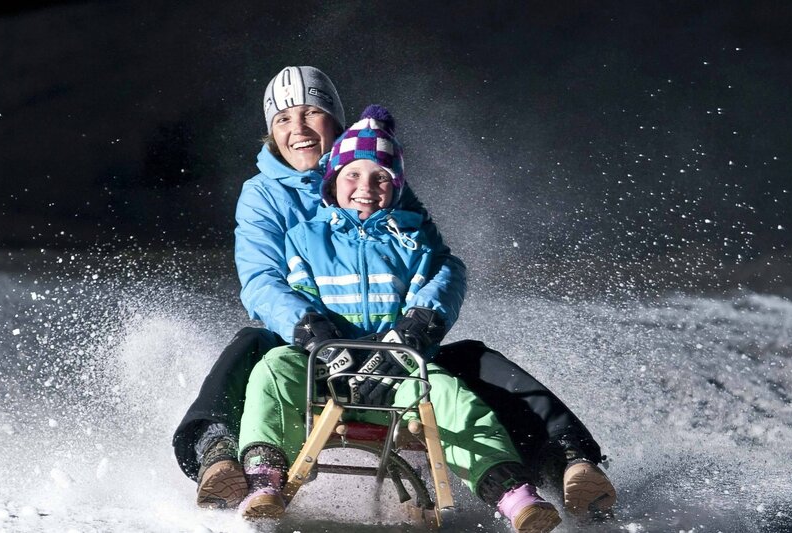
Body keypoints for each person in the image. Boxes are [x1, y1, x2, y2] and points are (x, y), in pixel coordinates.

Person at [172, 66, 615, 519]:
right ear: (270, 132)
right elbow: (261, 278)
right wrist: (308, 327)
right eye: (283, 119)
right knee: (254, 350)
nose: (298, 130)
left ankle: (565, 459)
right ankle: (219, 453)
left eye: (311, 114)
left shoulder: (374, 170)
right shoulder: (264, 194)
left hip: (392, 339)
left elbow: (439, 260)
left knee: (471, 363)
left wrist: (424, 319)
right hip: (308, 342)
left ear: (336, 121)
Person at [235, 104, 562, 532]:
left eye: (380, 178)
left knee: (450, 395)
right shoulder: (305, 238)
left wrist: (409, 335)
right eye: (352, 175)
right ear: (332, 184)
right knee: (273, 371)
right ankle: (264, 476)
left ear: (397, 186)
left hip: (398, 374)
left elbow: (439, 278)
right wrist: (316, 335)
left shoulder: (412, 241)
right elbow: (292, 291)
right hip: (326, 371)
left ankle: (511, 491)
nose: (365, 187)